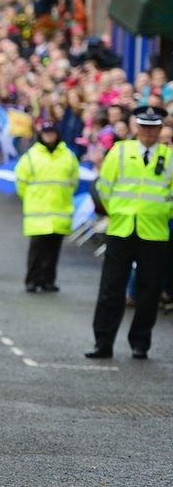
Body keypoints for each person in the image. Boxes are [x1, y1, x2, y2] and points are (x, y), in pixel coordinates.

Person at [86, 106, 173, 360]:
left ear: (160, 129)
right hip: (121, 228)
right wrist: (118, 211)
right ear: (136, 127)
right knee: (111, 288)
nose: (148, 132)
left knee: (149, 291)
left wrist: (162, 212)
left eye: (153, 127)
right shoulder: (120, 152)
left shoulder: (169, 158)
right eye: (144, 126)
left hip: (154, 232)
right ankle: (103, 342)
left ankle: (140, 343)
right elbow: (104, 186)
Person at [14, 121, 79, 293]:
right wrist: (31, 198)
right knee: (37, 250)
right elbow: (21, 183)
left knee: (53, 250)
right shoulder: (31, 156)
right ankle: (32, 280)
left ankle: (48, 280)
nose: (49, 136)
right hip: (38, 211)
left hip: (60, 209)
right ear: (41, 135)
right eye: (46, 133)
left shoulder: (68, 155)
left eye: (52, 133)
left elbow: (74, 181)